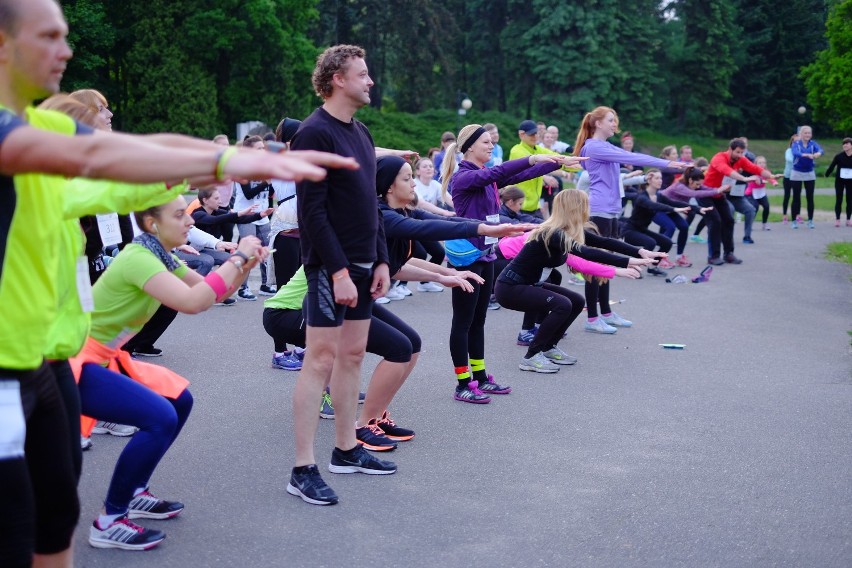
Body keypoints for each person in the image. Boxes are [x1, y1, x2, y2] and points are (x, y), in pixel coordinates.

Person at [0, 0, 354, 563]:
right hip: (8, 375)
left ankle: (120, 504)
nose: (66, 50)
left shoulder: (45, 124)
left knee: (56, 518)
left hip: (55, 363)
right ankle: (117, 508)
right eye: (50, 36)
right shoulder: (20, 138)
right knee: (15, 530)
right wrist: (228, 167)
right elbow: (94, 158)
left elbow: (140, 150)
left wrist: (235, 160)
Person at [70, 197, 268, 550]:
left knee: (178, 401)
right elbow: (193, 303)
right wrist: (238, 257)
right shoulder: (138, 259)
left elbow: (212, 296)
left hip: (102, 357)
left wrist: (245, 264)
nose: (189, 221)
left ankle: (132, 492)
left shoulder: (159, 255)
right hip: (75, 361)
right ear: (151, 224)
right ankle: (109, 520)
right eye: (179, 215)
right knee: (160, 416)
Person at [286, 44, 395, 507]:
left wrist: (383, 259)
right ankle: (302, 468)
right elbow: (310, 212)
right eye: (363, 74)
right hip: (331, 267)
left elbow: (372, 204)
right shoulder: (314, 134)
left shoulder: (362, 132)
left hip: (365, 263)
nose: (370, 81)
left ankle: (346, 449)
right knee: (321, 361)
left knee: (352, 356)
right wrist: (337, 272)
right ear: (338, 79)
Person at [440, 123, 581, 403]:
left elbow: (519, 174)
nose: (491, 146)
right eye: (485, 143)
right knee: (463, 322)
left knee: (478, 321)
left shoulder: (484, 177)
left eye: (493, 143)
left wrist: (554, 162)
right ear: (468, 148)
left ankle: (480, 377)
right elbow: (501, 171)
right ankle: (462, 383)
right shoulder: (464, 178)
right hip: (467, 258)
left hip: (486, 256)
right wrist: (533, 157)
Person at [495, 189, 644, 372]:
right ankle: (531, 357)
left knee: (576, 301)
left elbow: (604, 242)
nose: (588, 210)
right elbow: (586, 252)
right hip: (511, 287)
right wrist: (626, 265)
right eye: (585, 206)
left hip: (528, 284)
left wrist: (639, 252)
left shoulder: (566, 231)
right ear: (576, 208)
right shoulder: (551, 233)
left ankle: (549, 347)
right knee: (563, 304)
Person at [572, 106, 687, 334]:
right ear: (598, 124)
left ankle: (605, 312)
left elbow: (616, 179)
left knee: (607, 263)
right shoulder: (594, 146)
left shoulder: (605, 147)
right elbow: (631, 156)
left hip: (612, 211)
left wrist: (641, 177)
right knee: (596, 265)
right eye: (611, 120)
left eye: (616, 120)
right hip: (599, 212)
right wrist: (665, 164)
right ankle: (592, 318)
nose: (615, 124)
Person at [701, 139, 775, 265]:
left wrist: (771, 176)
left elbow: (755, 168)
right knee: (715, 221)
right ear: (730, 149)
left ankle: (728, 254)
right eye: (737, 152)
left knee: (729, 220)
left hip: (719, 194)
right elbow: (728, 171)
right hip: (706, 194)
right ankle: (713, 256)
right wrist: (745, 179)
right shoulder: (719, 158)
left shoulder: (741, 159)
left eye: (742, 152)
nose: (740, 155)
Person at [621, 170, 692, 277]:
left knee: (667, 242)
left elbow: (674, 202)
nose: (660, 181)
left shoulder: (659, 196)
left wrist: (697, 208)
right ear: (649, 180)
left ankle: (654, 267)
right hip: (629, 231)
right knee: (650, 243)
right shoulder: (642, 197)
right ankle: (634, 267)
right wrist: (674, 209)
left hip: (642, 229)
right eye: (657, 178)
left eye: (661, 178)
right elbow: (654, 206)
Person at [659, 166, 729, 267]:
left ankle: (679, 257)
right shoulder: (680, 186)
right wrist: (717, 191)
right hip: (659, 208)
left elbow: (705, 188)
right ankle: (660, 258)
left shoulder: (693, 184)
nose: (698, 186)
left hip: (673, 210)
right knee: (670, 228)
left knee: (684, 227)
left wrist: (719, 189)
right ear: (690, 180)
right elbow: (694, 193)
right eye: (697, 184)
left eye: (699, 184)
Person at [509, 120, 565, 218]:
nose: (535, 137)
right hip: (519, 207)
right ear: (521, 135)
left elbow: (556, 156)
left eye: (536, 134)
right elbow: (531, 167)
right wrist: (545, 177)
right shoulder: (516, 151)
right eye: (531, 134)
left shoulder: (538, 149)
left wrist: (573, 162)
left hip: (535, 207)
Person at [790, 126, 824, 229]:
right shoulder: (796, 144)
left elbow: (821, 150)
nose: (807, 135)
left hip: (809, 173)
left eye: (809, 133)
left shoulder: (813, 144)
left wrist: (818, 153)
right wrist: (806, 155)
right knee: (796, 198)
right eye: (805, 133)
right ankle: (794, 221)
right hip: (797, 172)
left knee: (810, 197)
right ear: (801, 134)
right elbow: (795, 153)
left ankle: (810, 220)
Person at [825, 138, 852, 227]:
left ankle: (848, 219)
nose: (845, 145)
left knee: (850, 200)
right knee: (839, 199)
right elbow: (832, 166)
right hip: (840, 180)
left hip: (850, 181)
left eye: (847, 144)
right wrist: (827, 174)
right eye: (843, 144)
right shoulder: (839, 156)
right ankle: (837, 219)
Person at [745, 156, 776, 232]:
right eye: (760, 163)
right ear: (755, 164)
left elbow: (770, 178)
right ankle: (750, 223)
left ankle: (764, 224)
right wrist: (762, 181)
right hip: (751, 193)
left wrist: (774, 182)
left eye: (764, 163)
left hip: (761, 193)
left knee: (766, 206)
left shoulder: (766, 171)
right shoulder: (753, 171)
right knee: (755, 208)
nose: (762, 164)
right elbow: (756, 181)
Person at [781, 134, 799, 224]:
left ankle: (797, 215)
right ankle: (784, 215)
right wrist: (800, 158)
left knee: (797, 196)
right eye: (794, 142)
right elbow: (789, 159)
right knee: (787, 196)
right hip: (788, 176)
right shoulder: (789, 151)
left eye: (798, 142)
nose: (796, 143)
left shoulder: (801, 151)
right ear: (791, 142)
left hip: (797, 176)